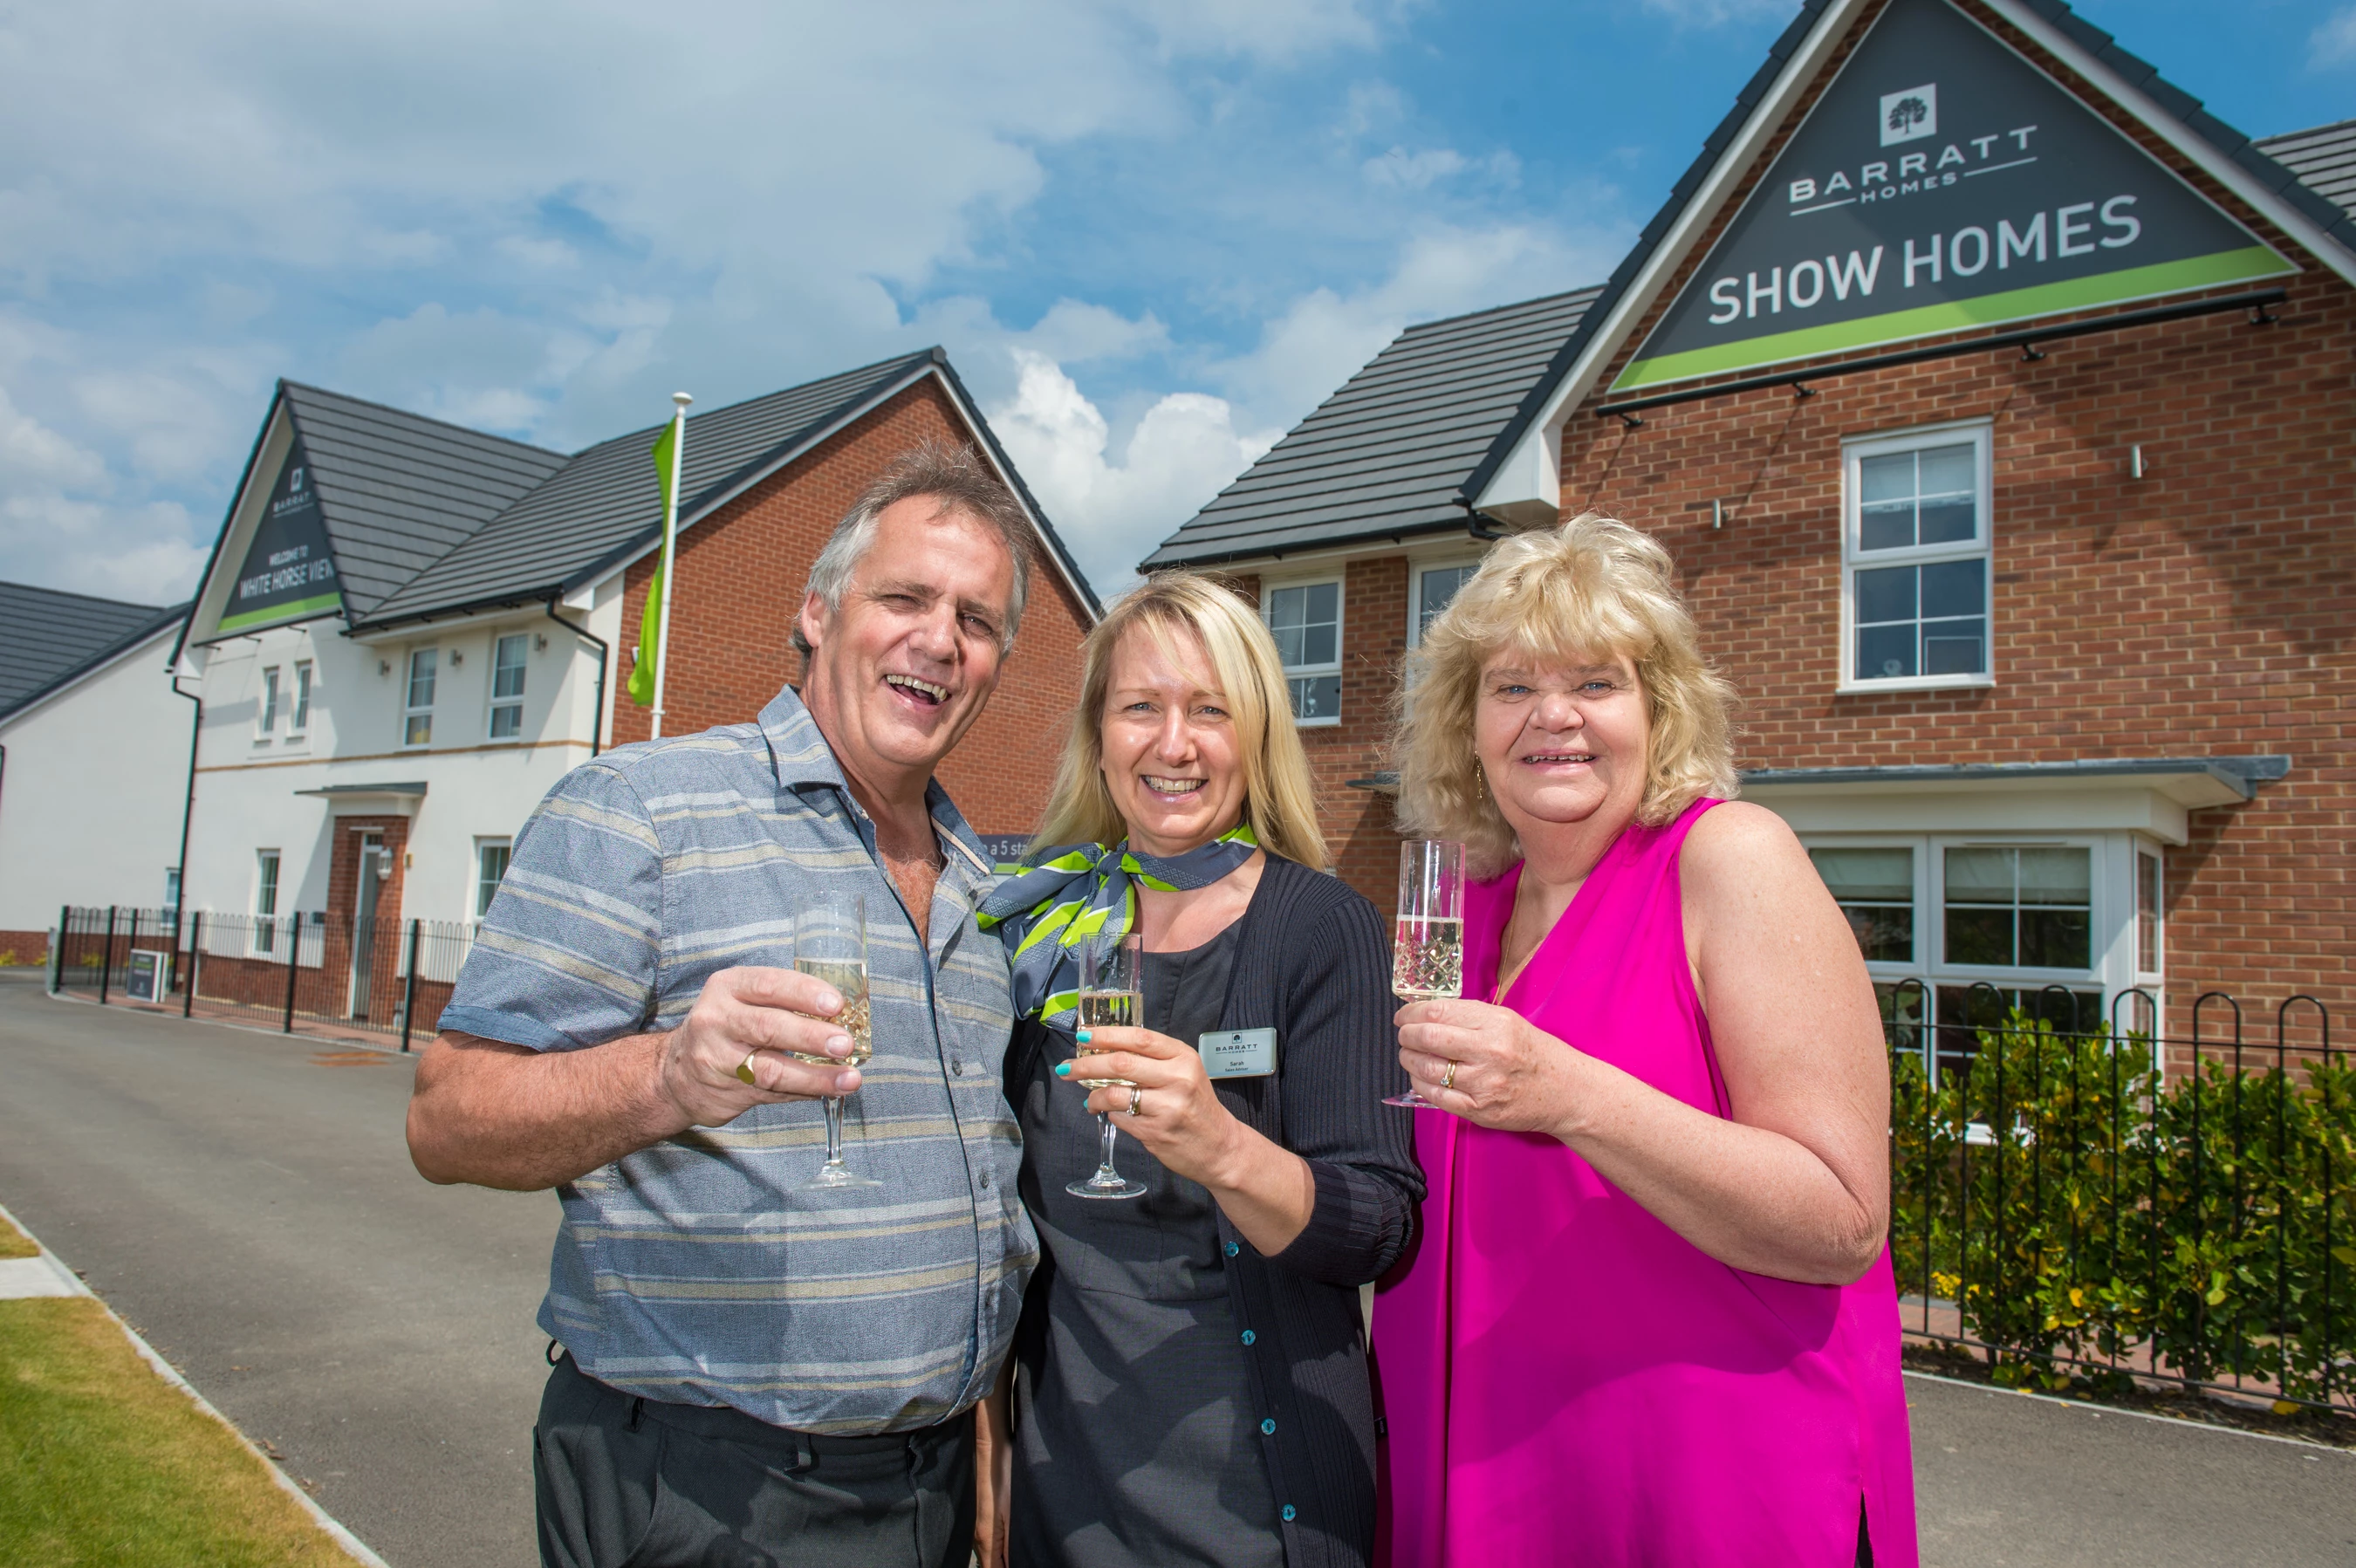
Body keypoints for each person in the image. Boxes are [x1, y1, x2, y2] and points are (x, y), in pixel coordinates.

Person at [404, 442, 1041, 1568]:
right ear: (816, 609)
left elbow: (972, 1195)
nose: (940, 639)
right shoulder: (642, 810)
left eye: (978, 620)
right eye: (905, 596)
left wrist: (982, 1434)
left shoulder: (984, 894)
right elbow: (448, 1117)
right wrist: (668, 1077)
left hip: (931, 1487)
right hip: (710, 1490)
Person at [1372, 513, 1918, 1566]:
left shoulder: (1729, 859)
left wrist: (1574, 1095)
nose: (1554, 717)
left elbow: (1843, 1220)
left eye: (1595, 681)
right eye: (1514, 685)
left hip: (1705, 1486)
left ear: (1659, 711)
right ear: (1467, 720)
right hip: (1489, 1477)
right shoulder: (1465, 907)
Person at [976, 572, 1423, 1568]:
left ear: (1255, 735)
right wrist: (988, 1441)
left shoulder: (1318, 924)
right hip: (1064, 1483)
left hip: (1253, 1498)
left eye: (1209, 710)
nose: (1173, 744)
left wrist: (1221, 1147)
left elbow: (1381, 1226)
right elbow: (992, 1213)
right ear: (1100, 734)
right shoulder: (1045, 924)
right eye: (1142, 706)